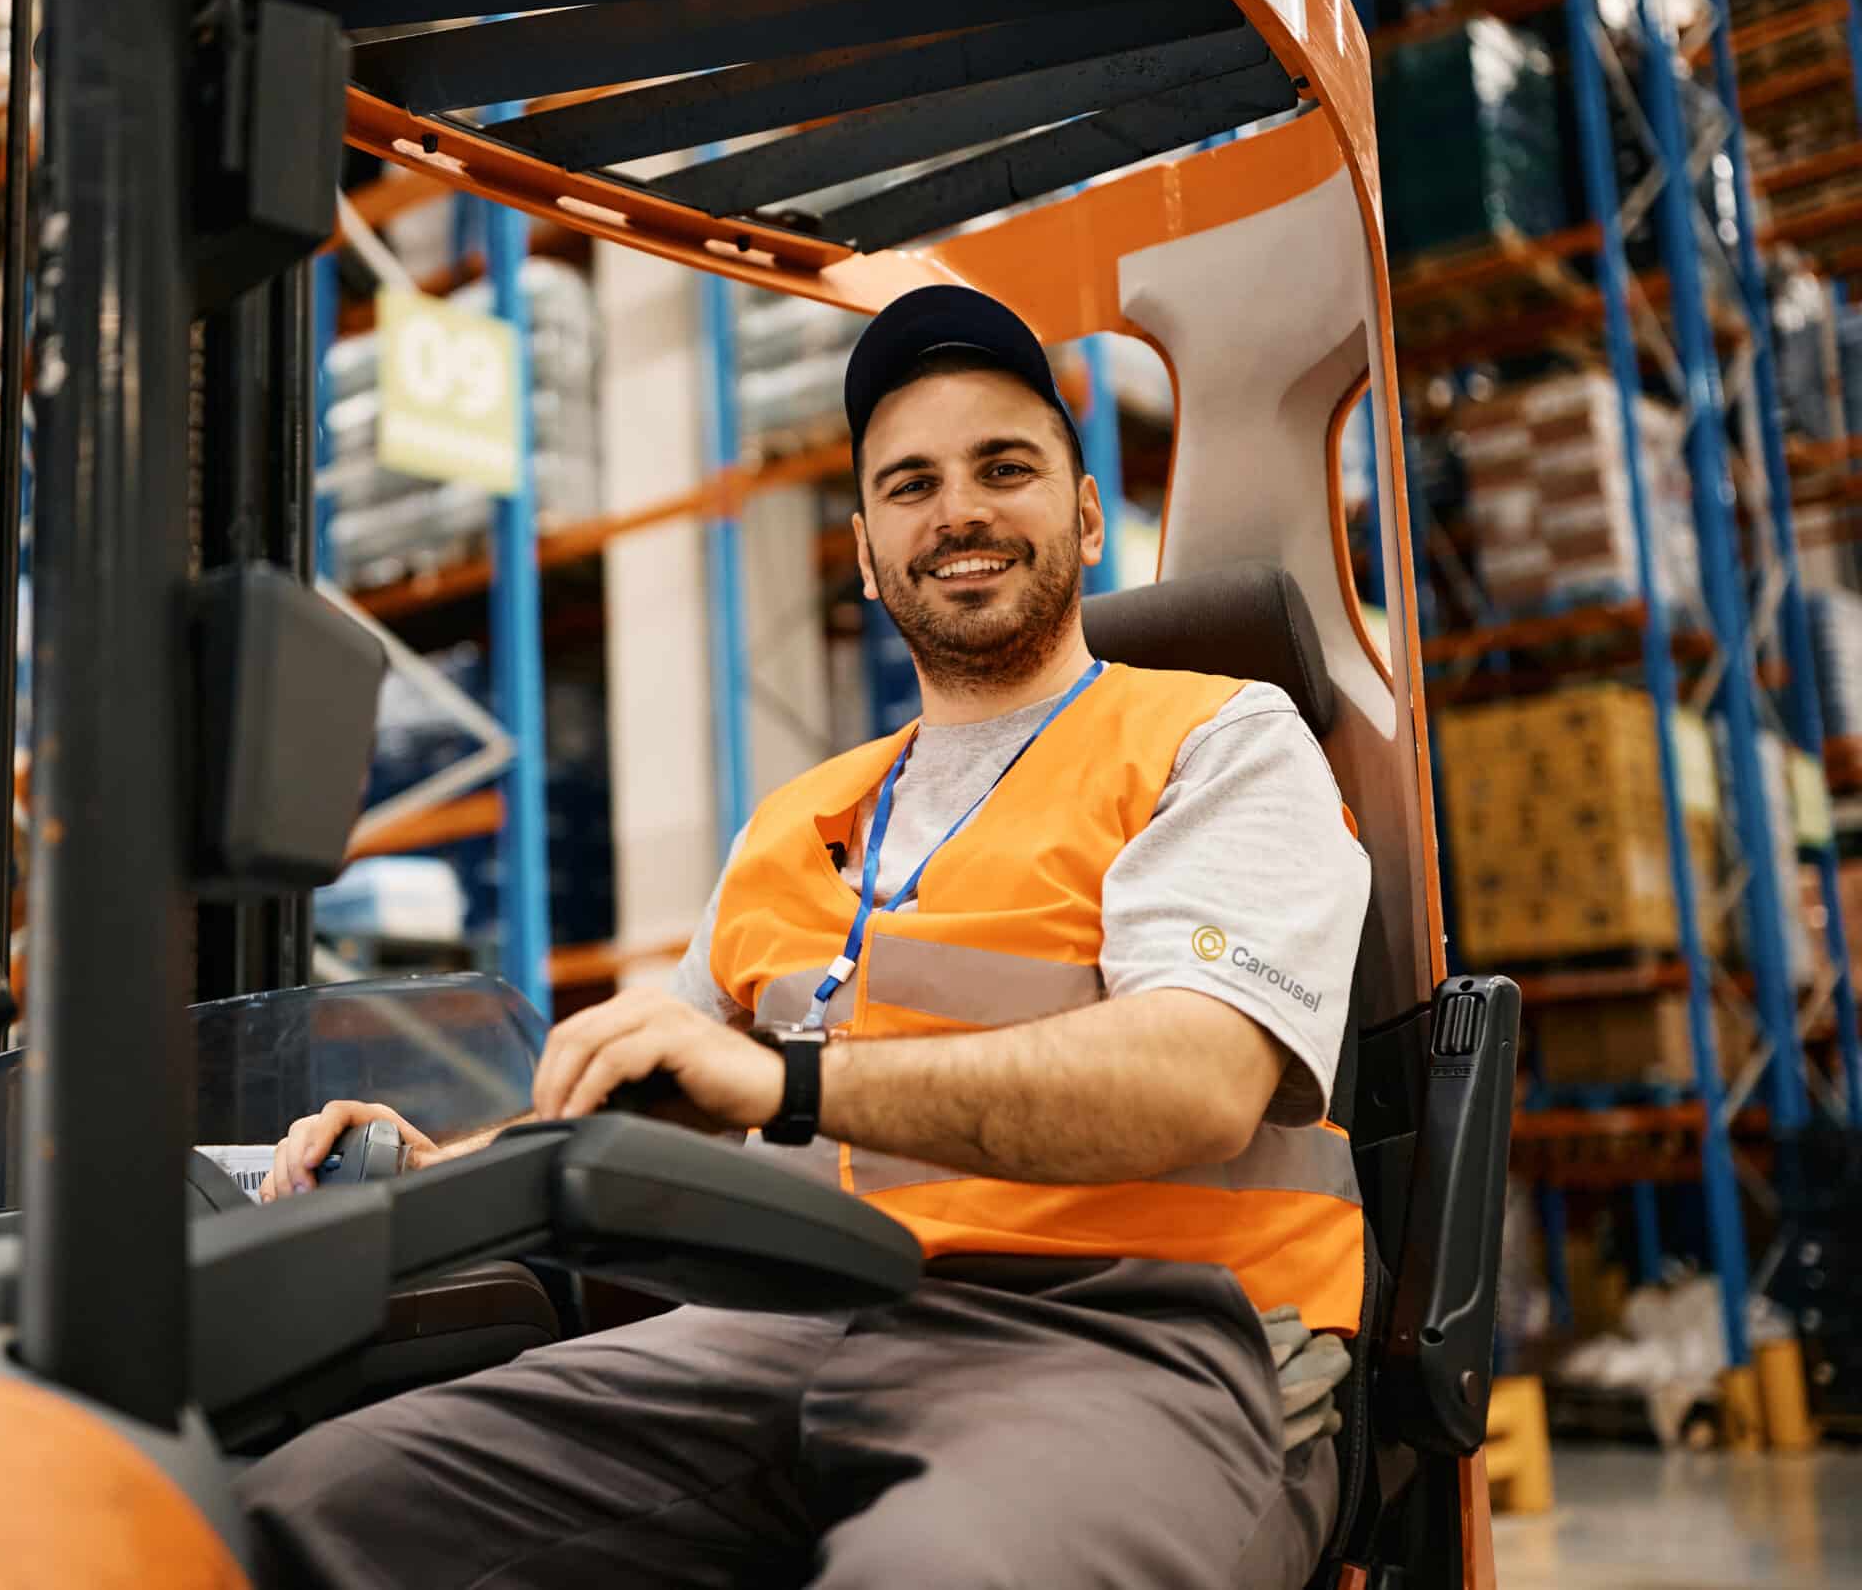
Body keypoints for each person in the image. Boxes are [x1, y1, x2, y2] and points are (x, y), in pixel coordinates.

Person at [239, 284, 1373, 1589]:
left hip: (1145, 1338)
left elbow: (1201, 1081)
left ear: (1082, 509)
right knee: (306, 1507)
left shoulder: (1215, 739)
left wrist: (789, 1081)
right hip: (795, 1315)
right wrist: (438, 1167)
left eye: (1005, 467)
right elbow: (659, 1097)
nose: (957, 509)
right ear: (867, 543)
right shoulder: (796, 819)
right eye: (910, 484)